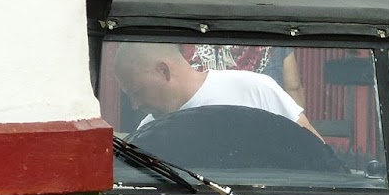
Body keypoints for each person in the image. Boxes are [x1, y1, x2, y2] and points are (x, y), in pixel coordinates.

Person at [113, 42, 319, 134]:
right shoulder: (148, 131)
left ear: (163, 71)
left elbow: (317, 150)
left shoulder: (254, 89)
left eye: (137, 92)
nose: (135, 105)